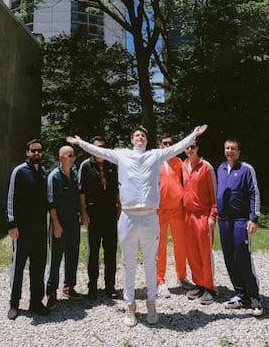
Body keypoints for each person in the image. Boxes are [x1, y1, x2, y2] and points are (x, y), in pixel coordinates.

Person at [67, 123, 208, 327]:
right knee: (128, 263)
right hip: (128, 217)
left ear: (147, 139)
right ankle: (130, 305)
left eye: (143, 135)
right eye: (137, 135)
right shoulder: (121, 154)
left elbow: (176, 147)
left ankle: (151, 303)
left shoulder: (155, 155)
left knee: (150, 262)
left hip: (150, 216)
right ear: (132, 139)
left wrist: (193, 134)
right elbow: (100, 151)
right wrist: (80, 143)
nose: (140, 137)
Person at [217, 138, 263, 317]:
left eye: (233, 149)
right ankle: (240, 294)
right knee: (229, 258)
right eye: (227, 148)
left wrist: (254, 218)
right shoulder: (220, 168)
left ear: (239, 152)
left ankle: (255, 297)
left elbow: (254, 193)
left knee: (242, 257)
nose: (229, 151)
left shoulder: (246, 169)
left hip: (240, 221)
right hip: (224, 221)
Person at [6, 139, 49, 320]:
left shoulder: (43, 172)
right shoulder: (19, 171)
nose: (36, 153)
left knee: (38, 267)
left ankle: (36, 302)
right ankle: (14, 304)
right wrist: (11, 224)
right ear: (27, 152)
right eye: (33, 151)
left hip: (40, 229)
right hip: (22, 229)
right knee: (18, 267)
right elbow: (10, 198)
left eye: (39, 151)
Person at [78, 136, 120, 300]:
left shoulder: (112, 165)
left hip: (110, 213)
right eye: (95, 147)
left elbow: (117, 188)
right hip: (93, 213)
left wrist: (120, 207)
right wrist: (83, 212)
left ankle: (110, 286)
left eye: (102, 146)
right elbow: (81, 191)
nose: (99, 149)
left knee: (110, 251)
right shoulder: (86, 166)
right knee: (93, 251)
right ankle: (93, 286)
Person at [46, 145, 85, 310]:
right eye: (69, 155)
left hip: (73, 222)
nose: (72, 158)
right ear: (61, 157)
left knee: (73, 254)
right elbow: (51, 202)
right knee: (56, 257)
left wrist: (83, 214)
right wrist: (55, 224)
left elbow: (80, 195)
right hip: (59, 222)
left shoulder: (75, 174)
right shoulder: (54, 176)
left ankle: (69, 286)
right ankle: (51, 292)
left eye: (73, 155)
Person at [156, 135, 192, 298]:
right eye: (165, 143)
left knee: (181, 244)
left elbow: (187, 182)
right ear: (160, 145)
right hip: (159, 210)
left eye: (171, 143)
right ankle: (160, 281)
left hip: (177, 209)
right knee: (160, 247)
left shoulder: (179, 162)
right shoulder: (154, 161)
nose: (168, 145)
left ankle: (181, 276)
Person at [182, 140, 217, 305]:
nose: (190, 149)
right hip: (187, 216)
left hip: (203, 215)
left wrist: (212, 216)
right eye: (187, 147)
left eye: (193, 147)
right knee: (192, 253)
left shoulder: (206, 167)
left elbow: (214, 194)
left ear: (198, 148)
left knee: (204, 252)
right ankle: (199, 284)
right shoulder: (183, 165)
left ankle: (210, 288)